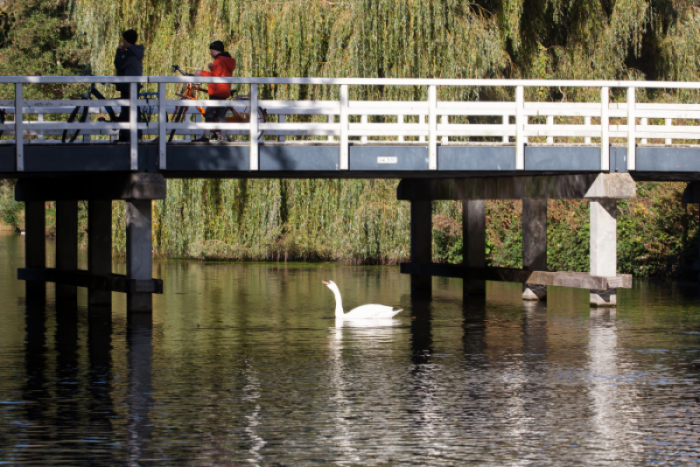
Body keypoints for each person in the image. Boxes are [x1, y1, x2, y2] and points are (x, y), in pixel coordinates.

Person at [195, 40, 236, 142]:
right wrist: (212, 67)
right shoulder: (225, 60)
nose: (210, 53)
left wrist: (200, 73)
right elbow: (221, 72)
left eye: (211, 50)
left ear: (216, 50)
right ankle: (222, 136)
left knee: (209, 113)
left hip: (217, 91)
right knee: (220, 114)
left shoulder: (219, 60)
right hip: (224, 91)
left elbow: (214, 76)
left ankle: (206, 136)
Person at [114, 29, 144, 142]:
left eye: (123, 39)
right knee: (132, 109)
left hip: (128, 86)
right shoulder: (136, 52)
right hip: (134, 85)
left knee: (127, 111)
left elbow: (119, 64)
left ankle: (127, 137)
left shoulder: (130, 52)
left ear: (126, 40)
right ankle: (134, 135)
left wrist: (119, 52)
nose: (122, 41)